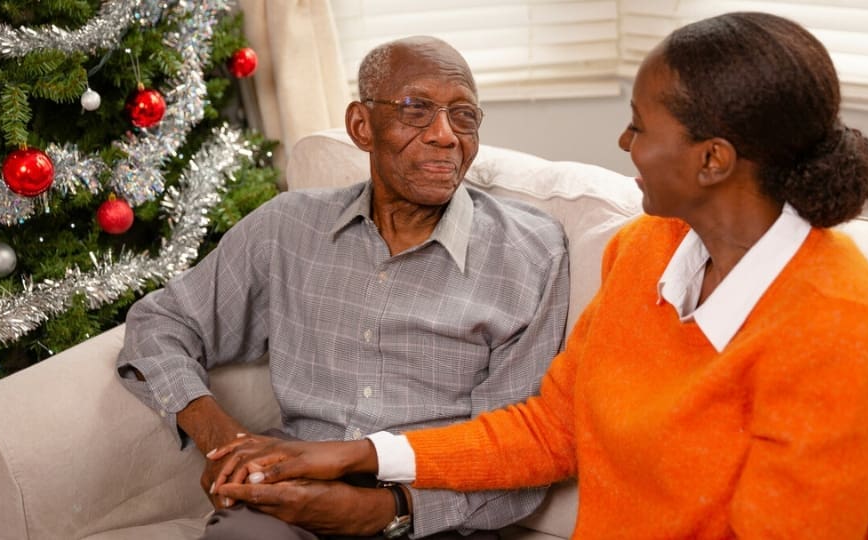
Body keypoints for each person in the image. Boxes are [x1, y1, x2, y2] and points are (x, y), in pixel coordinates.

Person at [207, 12, 868, 540]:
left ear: (713, 161)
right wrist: (359, 453)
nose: (624, 144)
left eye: (641, 126)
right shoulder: (647, 250)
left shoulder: (840, 331)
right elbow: (551, 430)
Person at [116, 35, 570, 539]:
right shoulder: (287, 229)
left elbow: (517, 451)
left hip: (429, 518)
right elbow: (160, 322)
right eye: (417, 109)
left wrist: (381, 509)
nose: (445, 135)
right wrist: (226, 443)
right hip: (287, 495)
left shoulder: (530, 253)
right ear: (362, 125)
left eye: (463, 115)